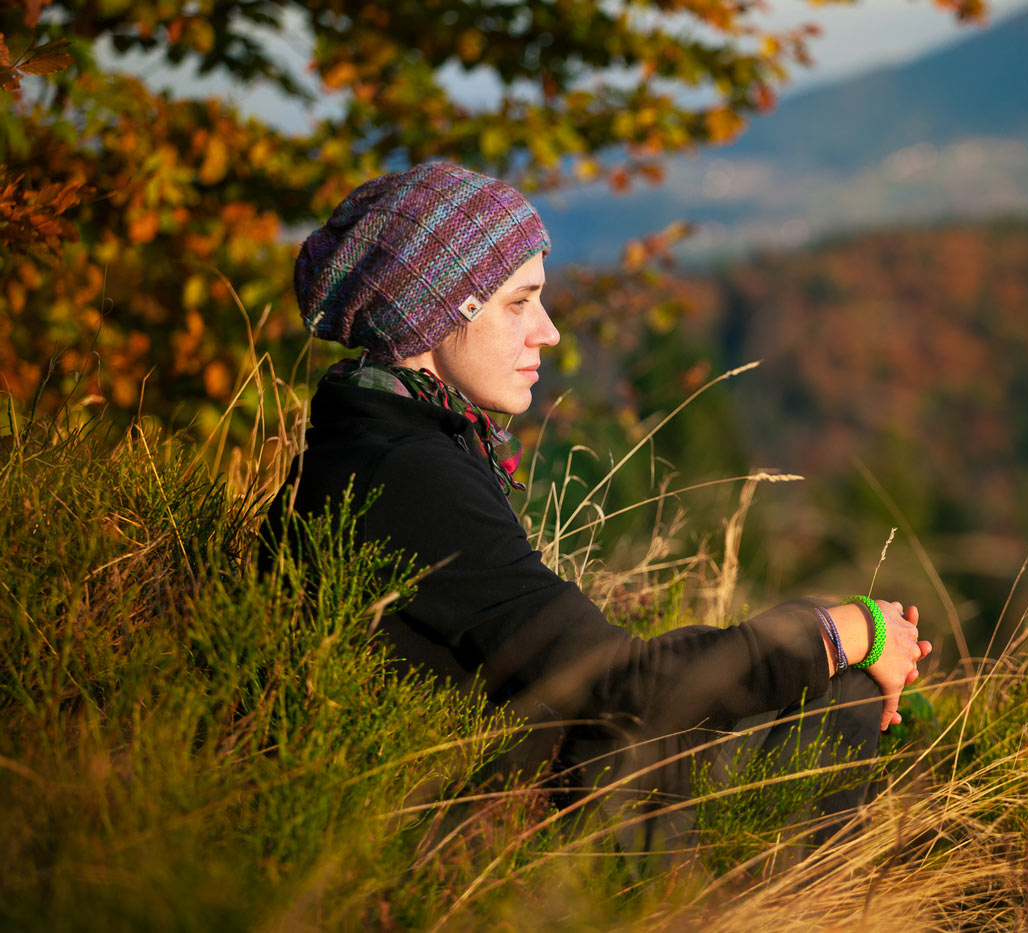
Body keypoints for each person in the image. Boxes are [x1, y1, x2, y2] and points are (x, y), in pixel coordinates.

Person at [262, 160, 932, 846]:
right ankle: (781, 895)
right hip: (504, 833)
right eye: (518, 303)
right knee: (835, 680)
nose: (548, 331)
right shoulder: (409, 472)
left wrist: (830, 642)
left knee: (829, 680)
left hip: (514, 784)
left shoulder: (390, 439)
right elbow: (624, 687)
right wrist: (837, 631)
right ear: (436, 315)